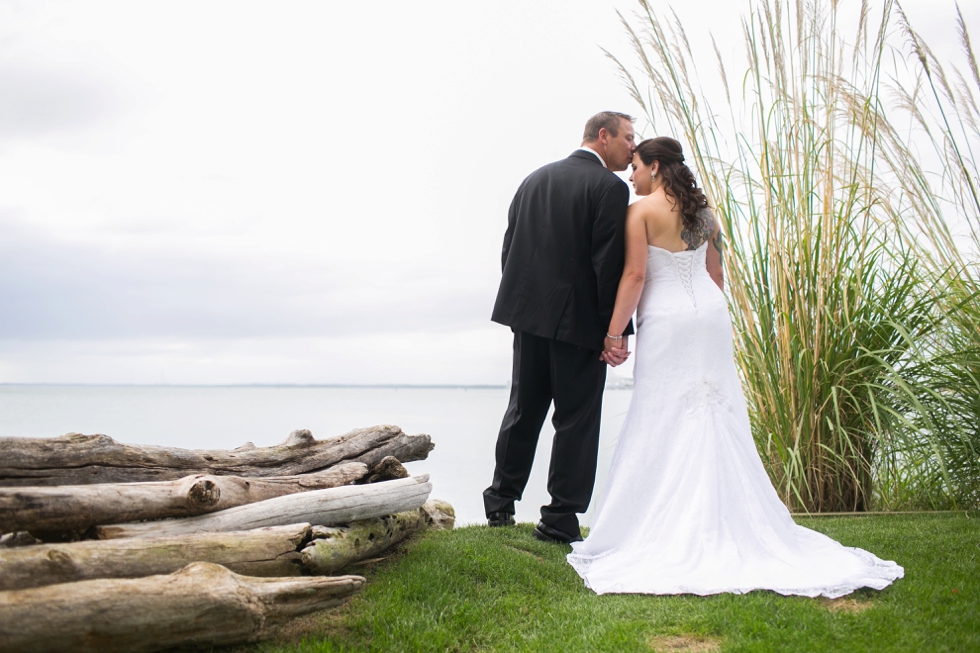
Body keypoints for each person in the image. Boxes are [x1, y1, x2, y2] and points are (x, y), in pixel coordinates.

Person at [566, 136, 903, 596]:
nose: (632, 174)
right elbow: (716, 273)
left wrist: (613, 334)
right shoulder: (707, 215)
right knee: (714, 407)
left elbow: (636, 275)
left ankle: (658, 523)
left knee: (661, 412)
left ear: (658, 167)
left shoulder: (639, 212)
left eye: (638, 166)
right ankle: (733, 518)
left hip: (666, 320)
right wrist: (711, 314)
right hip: (709, 315)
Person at [483, 112, 636, 544]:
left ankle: (500, 503)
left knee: (522, 410)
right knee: (576, 421)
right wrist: (615, 331)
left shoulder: (533, 179)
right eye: (627, 138)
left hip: (527, 318)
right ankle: (559, 518)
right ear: (602, 137)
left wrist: (522, 307)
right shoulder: (609, 187)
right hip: (579, 325)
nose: (631, 148)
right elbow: (607, 265)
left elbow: (510, 249)